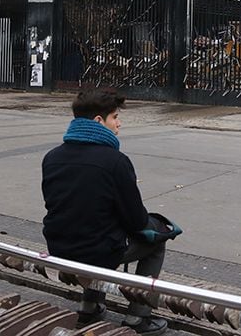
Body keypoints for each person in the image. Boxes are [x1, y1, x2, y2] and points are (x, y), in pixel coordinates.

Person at [42, 88, 168, 336]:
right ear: (99, 121)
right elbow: (136, 220)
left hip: (59, 247)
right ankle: (138, 317)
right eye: (115, 117)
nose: (119, 124)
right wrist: (157, 227)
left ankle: (89, 306)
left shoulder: (52, 157)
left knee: (95, 229)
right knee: (156, 241)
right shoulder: (115, 161)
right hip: (98, 251)